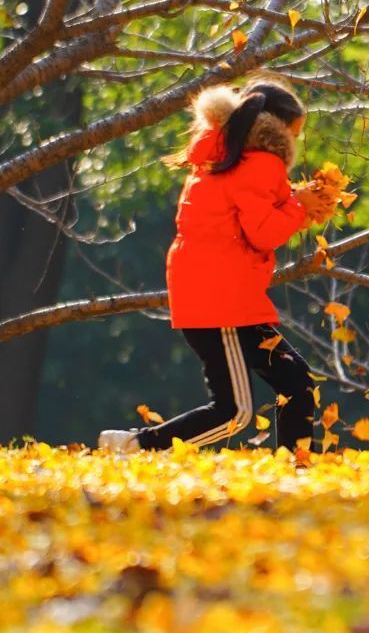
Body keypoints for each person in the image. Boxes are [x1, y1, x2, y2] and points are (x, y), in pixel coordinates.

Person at [98, 76, 336, 455]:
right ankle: (137, 446)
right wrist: (300, 205)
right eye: (296, 132)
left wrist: (298, 204)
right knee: (234, 413)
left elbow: (242, 218)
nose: (297, 141)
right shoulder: (261, 162)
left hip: (222, 292)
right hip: (221, 296)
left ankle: (298, 465)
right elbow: (263, 234)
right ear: (276, 127)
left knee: (296, 382)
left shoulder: (228, 158)